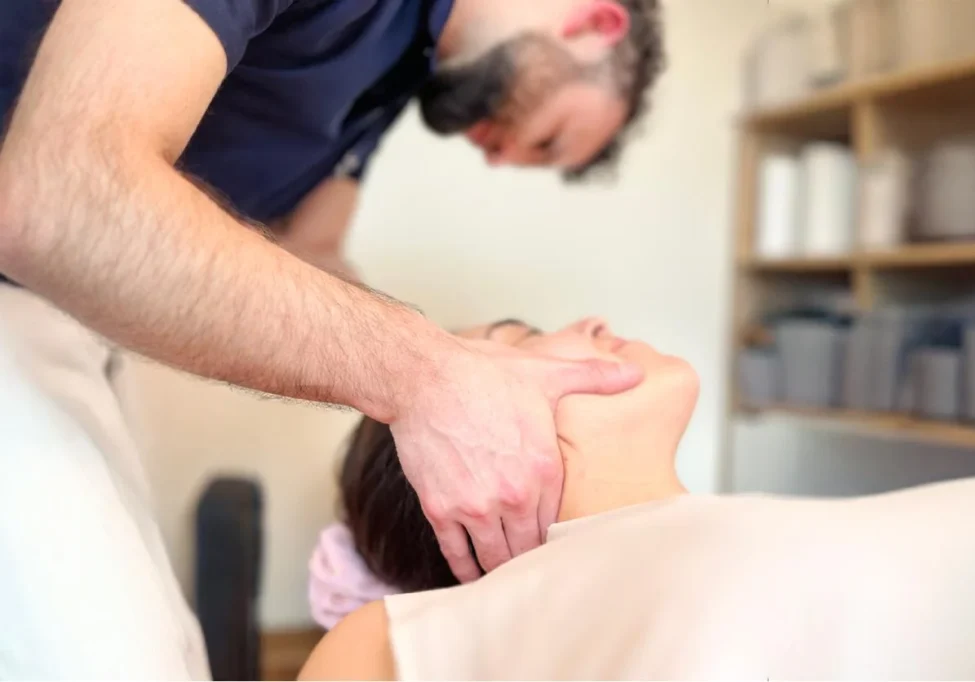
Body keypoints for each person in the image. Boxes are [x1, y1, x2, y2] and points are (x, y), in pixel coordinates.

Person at [0, 0, 665, 677]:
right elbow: (62, 195)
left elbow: (313, 253)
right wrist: (425, 373)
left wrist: (450, 385)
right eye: (548, 139)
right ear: (597, 23)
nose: (500, 157)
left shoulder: (400, 62)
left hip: (71, 320)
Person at [300, 317, 975, 680]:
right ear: (453, 469)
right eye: (522, 337)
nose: (589, 322)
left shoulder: (747, 526)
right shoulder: (392, 638)